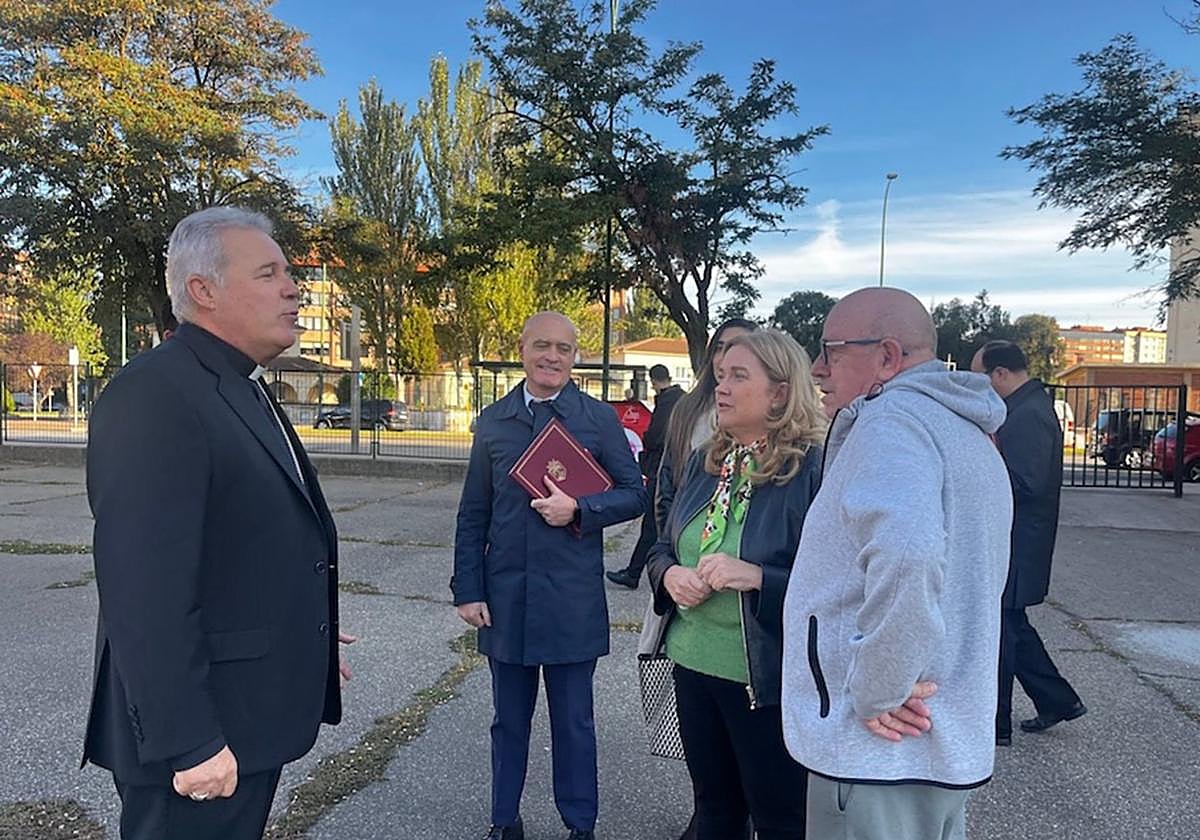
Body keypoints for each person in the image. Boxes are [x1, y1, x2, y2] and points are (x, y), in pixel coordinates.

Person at [84, 207, 352, 840]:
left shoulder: (238, 385)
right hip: (202, 741)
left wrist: (301, 633)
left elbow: (238, 542)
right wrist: (189, 741)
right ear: (203, 291)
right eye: (269, 273)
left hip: (246, 713)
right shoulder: (157, 395)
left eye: (289, 272)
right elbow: (143, 592)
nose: (294, 288)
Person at [781, 287, 1012, 840]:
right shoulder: (962, 428)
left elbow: (909, 552)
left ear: (887, 356)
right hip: (933, 745)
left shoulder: (892, 424)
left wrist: (879, 686)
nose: (817, 368)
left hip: (876, 753)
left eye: (831, 350)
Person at [452, 311, 646, 840]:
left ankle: (580, 825)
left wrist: (581, 509)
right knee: (507, 723)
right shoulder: (494, 421)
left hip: (570, 599)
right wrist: (467, 589)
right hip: (507, 597)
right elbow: (474, 512)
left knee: (575, 725)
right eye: (543, 346)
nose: (552, 357)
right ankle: (503, 821)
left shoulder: (597, 419)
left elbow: (635, 493)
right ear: (522, 348)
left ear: (575, 356)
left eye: (563, 348)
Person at [645, 330, 824, 839]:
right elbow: (662, 546)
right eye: (720, 375)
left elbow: (838, 585)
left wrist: (758, 578)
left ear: (780, 391)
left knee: (779, 818)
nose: (720, 388)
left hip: (764, 677)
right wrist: (671, 575)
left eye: (738, 376)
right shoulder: (707, 461)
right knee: (715, 811)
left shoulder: (812, 468)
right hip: (692, 664)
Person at [972, 340, 1086, 746]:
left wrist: (985, 462)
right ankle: (1058, 700)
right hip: (1016, 539)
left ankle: (995, 724)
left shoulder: (1028, 414)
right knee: (1012, 626)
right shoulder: (1023, 408)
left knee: (1002, 631)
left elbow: (1028, 484)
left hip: (1018, 542)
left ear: (1000, 374)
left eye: (980, 375)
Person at [606, 363, 684, 589]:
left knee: (651, 524)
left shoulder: (667, 401)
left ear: (653, 381)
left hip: (661, 470)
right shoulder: (683, 399)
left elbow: (655, 437)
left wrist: (647, 443)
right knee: (661, 524)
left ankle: (634, 573)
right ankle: (637, 571)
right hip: (675, 469)